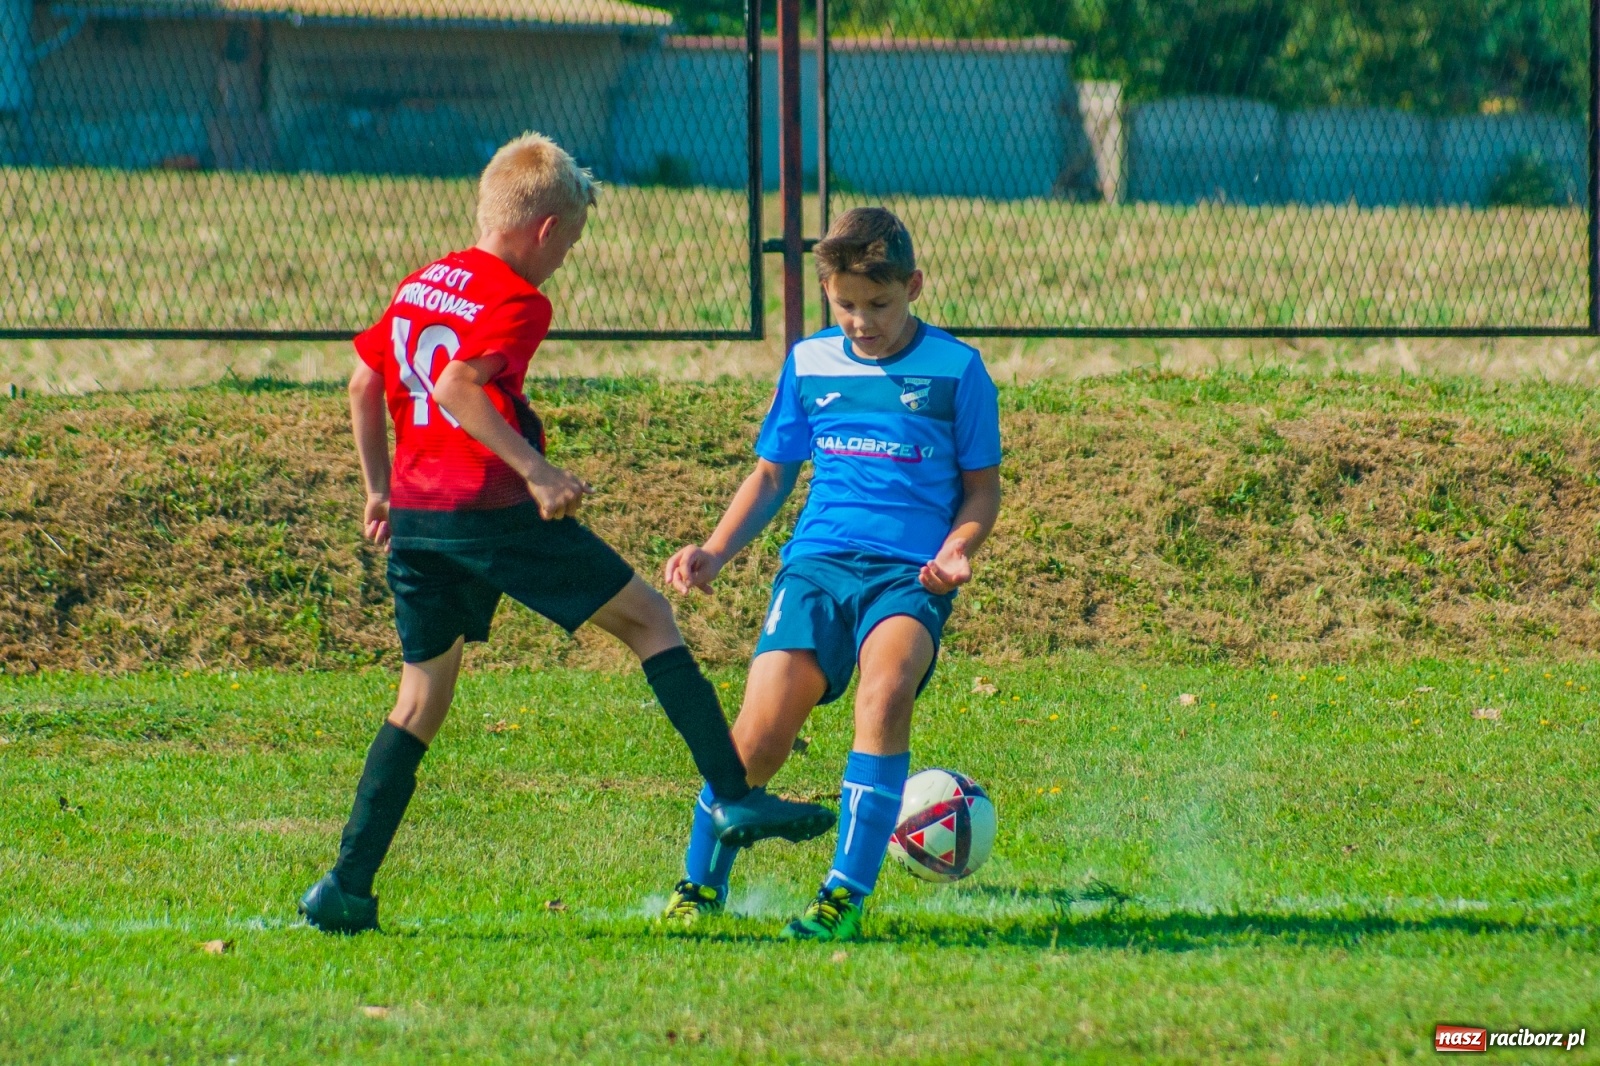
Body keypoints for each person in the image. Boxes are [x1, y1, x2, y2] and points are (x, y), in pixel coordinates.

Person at [298, 132, 834, 934]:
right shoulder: (517, 298)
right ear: (547, 229)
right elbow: (456, 386)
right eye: (571, 242)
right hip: (490, 513)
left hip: (416, 521)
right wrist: (537, 472)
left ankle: (345, 886)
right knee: (651, 618)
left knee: (419, 701)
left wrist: (379, 490)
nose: (565, 260)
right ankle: (732, 795)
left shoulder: (423, 281)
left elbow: (364, 381)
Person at [659, 207, 1003, 942]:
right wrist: (716, 550)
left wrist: (957, 548)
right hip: (815, 570)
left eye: (878, 304)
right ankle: (698, 885)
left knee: (882, 695)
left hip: (909, 578)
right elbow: (772, 473)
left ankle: (842, 893)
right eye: (845, 304)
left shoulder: (956, 370)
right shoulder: (810, 362)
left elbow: (981, 486)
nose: (861, 321)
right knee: (757, 738)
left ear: (913, 286)